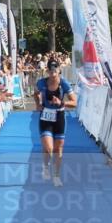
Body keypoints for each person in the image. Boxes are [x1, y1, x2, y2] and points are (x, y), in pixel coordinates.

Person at [34, 59, 77, 187]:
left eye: (55, 69)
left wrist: (61, 103)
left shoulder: (64, 84)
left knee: (58, 149)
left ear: (59, 70)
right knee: (49, 148)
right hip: (46, 116)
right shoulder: (41, 82)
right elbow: (35, 93)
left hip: (59, 117)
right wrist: (38, 104)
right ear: (47, 70)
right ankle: (45, 167)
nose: (53, 71)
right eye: (50, 69)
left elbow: (74, 102)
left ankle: (57, 176)